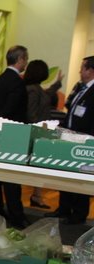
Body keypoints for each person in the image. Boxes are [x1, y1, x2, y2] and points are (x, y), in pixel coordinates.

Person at [45, 56, 94, 225]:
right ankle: (63, 209)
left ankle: (78, 214)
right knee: (65, 174)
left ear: (90, 71)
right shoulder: (80, 88)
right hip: (69, 138)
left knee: (80, 178)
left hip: (84, 142)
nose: (80, 71)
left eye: (82, 68)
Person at [0, 45, 29, 228]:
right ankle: (16, 215)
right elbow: (12, 110)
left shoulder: (0, 80)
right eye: (25, 59)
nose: (26, 63)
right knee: (11, 177)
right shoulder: (17, 82)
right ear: (20, 59)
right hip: (13, 134)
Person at [24, 59, 63, 210]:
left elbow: (46, 95)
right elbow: (31, 114)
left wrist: (57, 83)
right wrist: (40, 130)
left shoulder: (35, 89)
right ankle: (36, 197)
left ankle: (37, 196)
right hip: (36, 135)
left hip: (38, 134)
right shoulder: (33, 90)